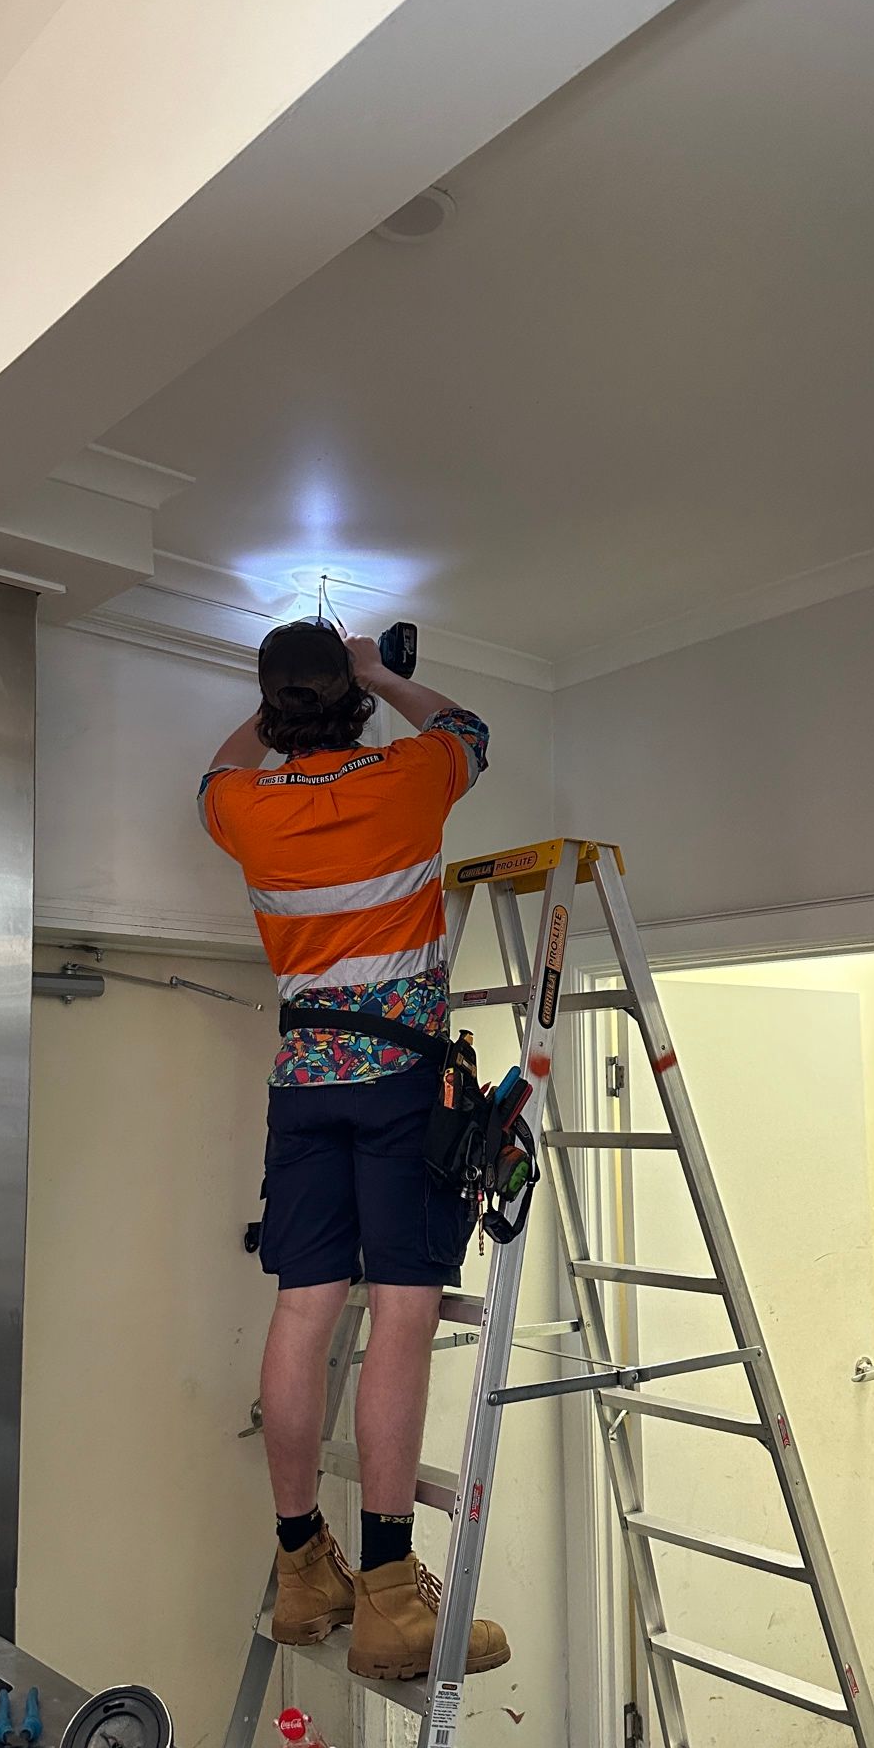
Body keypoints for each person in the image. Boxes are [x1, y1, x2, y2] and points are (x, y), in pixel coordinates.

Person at [199, 618, 508, 1681]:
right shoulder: (410, 778)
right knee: (404, 1316)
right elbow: (468, 726)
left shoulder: (241, 808)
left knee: (303, 1308)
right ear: (355, 699)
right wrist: (380, 671)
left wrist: (278, 702)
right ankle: (389, 1596)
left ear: (275, 707)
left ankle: (302, 1569)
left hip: (303, 1084)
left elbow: (220, 768)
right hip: (397, 1080)